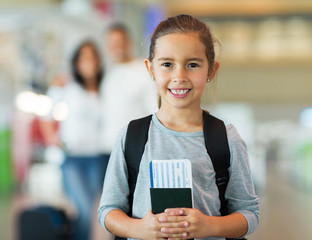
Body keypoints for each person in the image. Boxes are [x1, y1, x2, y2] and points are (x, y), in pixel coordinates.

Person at [98, 14, 259, 240]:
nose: (179, 76)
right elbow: (108, 210)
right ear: (151, 69)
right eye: (167, 64)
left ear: (211, 70)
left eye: (192, 65)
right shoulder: (131, 136)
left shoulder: (225, 138)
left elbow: (249, 213)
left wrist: (209, 226)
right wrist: (139, 229)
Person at [41, 40, 107, 240]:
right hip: (73, 158)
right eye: (84, 57)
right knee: (85, 207)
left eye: (92, 56)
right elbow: (46, 115)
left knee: (91, 211)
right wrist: (52, 138)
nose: (89, 62)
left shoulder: (104, 88)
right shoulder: (67, 85)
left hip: (97, 157)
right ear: (77, 62)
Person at [99, 23, 158, 159]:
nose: (116, 47)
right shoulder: (107, 72)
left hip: (135, 148)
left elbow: (155, 109)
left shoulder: (144, 70)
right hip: (107, 149)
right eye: (112, 43)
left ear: (128, 43)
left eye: (119, 42)